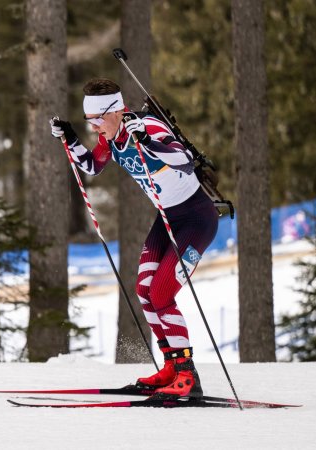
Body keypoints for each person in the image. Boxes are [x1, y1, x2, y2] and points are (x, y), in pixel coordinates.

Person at [50, 78, 218, 399]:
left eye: (98, 119)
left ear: (116, 111)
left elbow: (184, 160)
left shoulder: (147, 126)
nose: (94, 127)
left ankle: (187, 375)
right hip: (167, 218)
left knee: (162, 293)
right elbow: (92, 166)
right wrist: (69, 137)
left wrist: (149, 142)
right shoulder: (111, 137)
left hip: (196, 220)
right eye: (89, 120)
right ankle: (171, 367)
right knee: (144, 291)